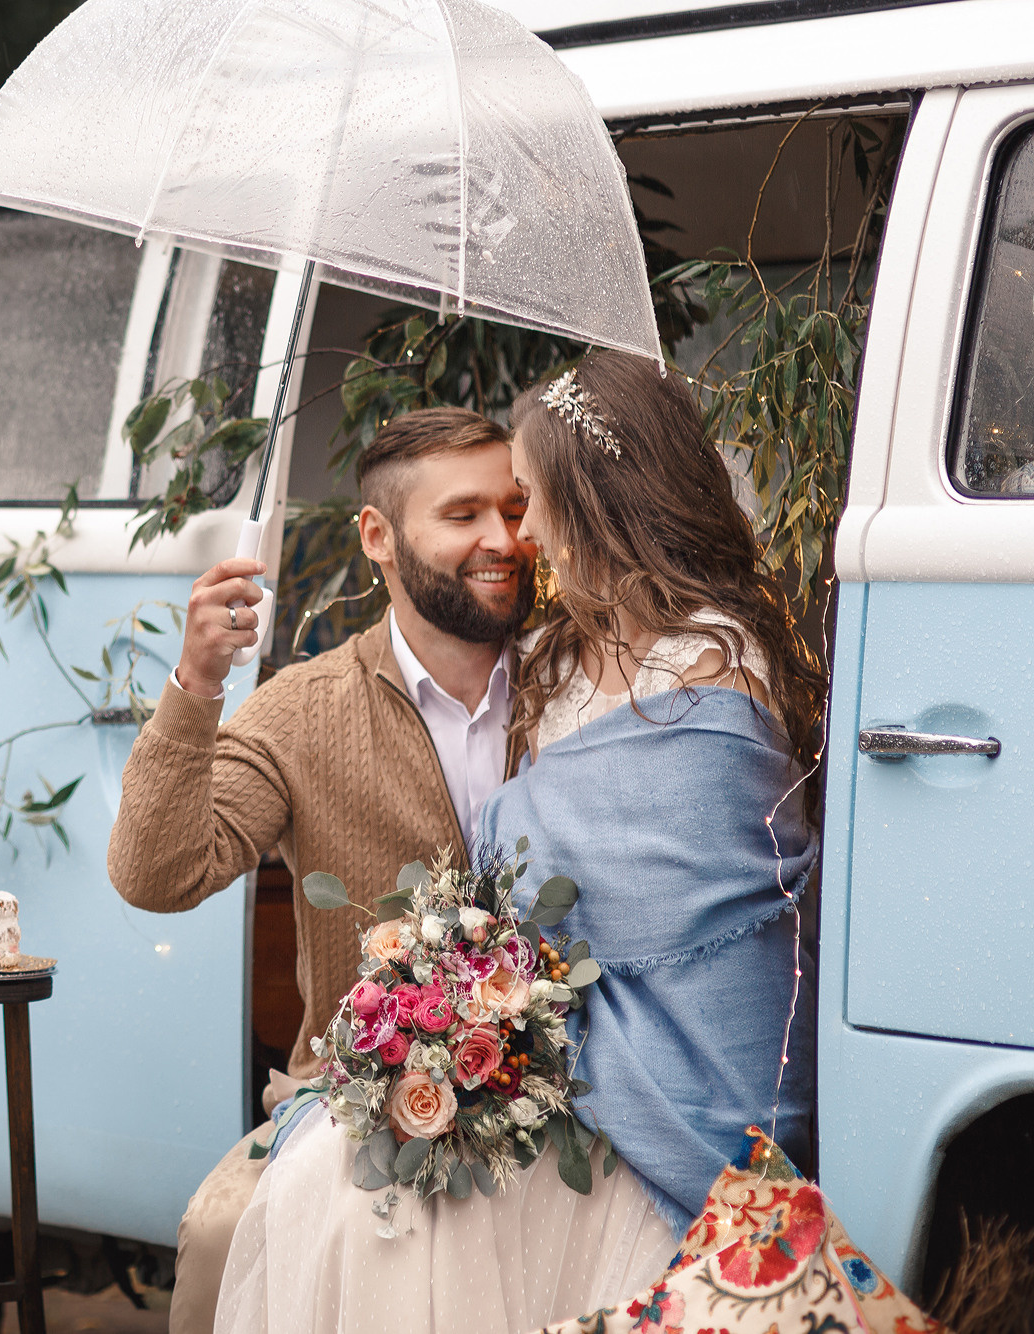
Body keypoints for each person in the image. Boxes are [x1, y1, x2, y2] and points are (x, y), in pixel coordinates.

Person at [213, 350, 823, 1333]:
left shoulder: (712, 661)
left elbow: (655, 916)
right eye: (481, 511)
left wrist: (494, 1016)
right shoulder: (558, 658)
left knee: (386, 1211)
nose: (519, 531)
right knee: (336, 1188)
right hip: (551, 1060)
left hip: (664, 1085)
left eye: (527, 501)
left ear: (591, 504)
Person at [107, 406, 537, 1334]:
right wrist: (196, 688)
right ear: (378, 537)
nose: (501, 540)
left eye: (513, 509)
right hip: (348, 1104)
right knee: (224, 1236)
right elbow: (157, 873)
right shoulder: (301, 707)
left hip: (561, 1099)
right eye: (463, 516)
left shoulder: (585, 681)